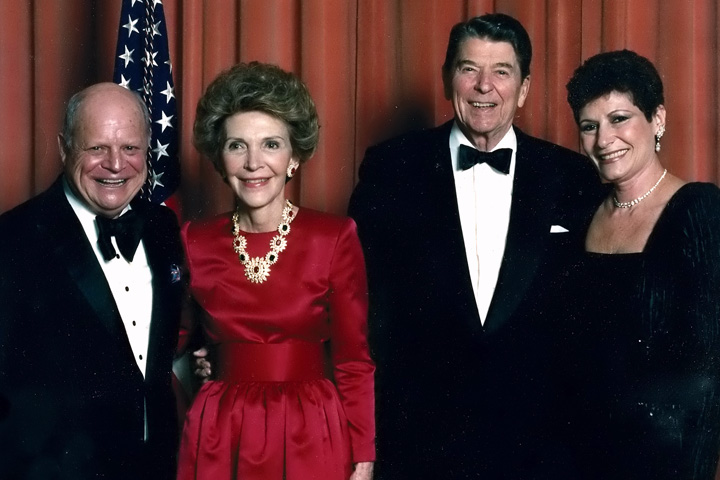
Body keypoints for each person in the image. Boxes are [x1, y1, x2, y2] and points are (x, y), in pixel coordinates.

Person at [347, 13, 603, 479]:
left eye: (501, 72)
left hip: (537, 446)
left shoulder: (571, 176)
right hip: (419, 441)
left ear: (524, 88)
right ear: (448, 80)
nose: (484, 86)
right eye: (469, 69)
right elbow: (355, 297)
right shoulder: (391, 168)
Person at [175, 62, 375, 480]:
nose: (253, 163)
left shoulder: (334, 237)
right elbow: (168, 345)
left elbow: (353, 360)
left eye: (270, 144)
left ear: (294, 156)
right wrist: (199, 363)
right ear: (219, 156)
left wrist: (363, 458)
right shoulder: (194, 239)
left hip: (312, 429)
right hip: (219, 433)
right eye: (236, 146)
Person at [0, 83, 183, 479]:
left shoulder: (163, 229)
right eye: (97, 148)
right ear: (65, 148)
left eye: (130, 149)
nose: (116, 165)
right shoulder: (12, 241)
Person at [556, 49, 720, 479]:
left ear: (658, 119)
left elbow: (707, 377)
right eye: (589, 127)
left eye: (619, 119)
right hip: (577, 459)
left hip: (661, 465)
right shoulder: (582, 213)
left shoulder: (699, 210)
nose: (603, 140)